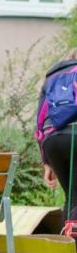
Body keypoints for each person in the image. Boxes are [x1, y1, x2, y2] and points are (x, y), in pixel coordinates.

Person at [37, 48, 77, 230]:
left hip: (51, 141)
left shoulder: (52, 78)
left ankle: (65, 244)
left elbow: (39, 121)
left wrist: (46, 162)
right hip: (74, 134)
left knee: (72, 197)